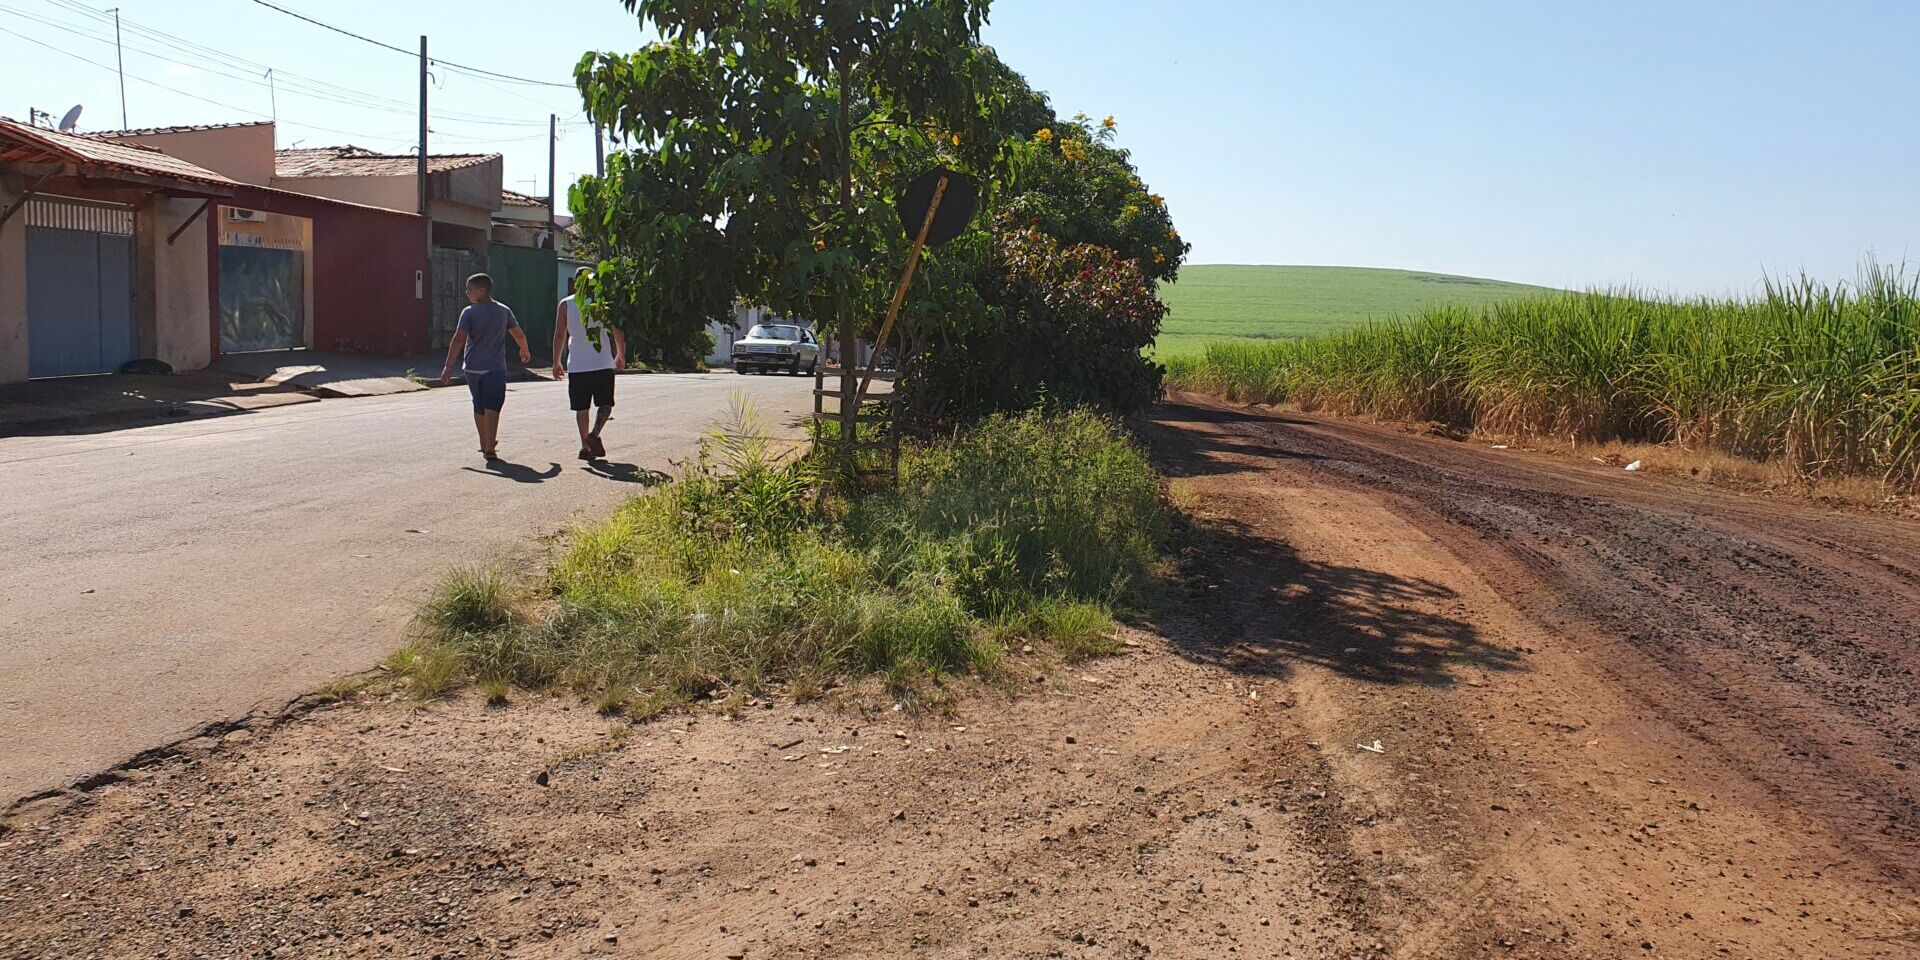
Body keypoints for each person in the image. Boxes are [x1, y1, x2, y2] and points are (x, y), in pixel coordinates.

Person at [440, 272, 530, 461]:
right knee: (493, 406)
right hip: (495, 368)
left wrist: (448, 367)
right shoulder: (504, 311)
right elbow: (518, 333)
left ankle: (483, 442)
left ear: (482, 291)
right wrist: (525, 350)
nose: (467, 293)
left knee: (479, 405)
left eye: (470, 290)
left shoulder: (469, 312)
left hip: (472, 368)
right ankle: (490, 445)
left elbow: (458, 340)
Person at [551, 267, 625, 460]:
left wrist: (556, 360)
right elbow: (617, 330)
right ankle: (594, 435)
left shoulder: (566, 304)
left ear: (576, 283)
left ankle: (586, 446)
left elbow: (560, 334)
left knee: (581, 408)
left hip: (577, 365)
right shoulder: (603, 304)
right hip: (602, 362)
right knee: (606, 404)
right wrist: (620, 354)